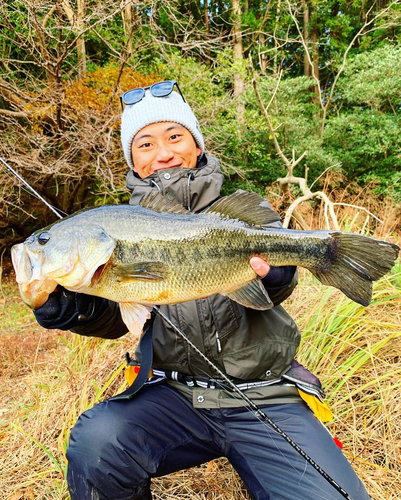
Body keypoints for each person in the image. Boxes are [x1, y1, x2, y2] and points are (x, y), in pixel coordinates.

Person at [34, 80, 371, 500]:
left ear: (197, 145)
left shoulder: (246, 210)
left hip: (266, 392)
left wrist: (274, 275)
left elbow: (280, 284)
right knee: (97, 443)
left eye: (175, 136)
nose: (163, 153)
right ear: (132, 161)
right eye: (145, 144)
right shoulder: (116, 228)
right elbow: (114, 318)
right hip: (171, 397)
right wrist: (62, 307)